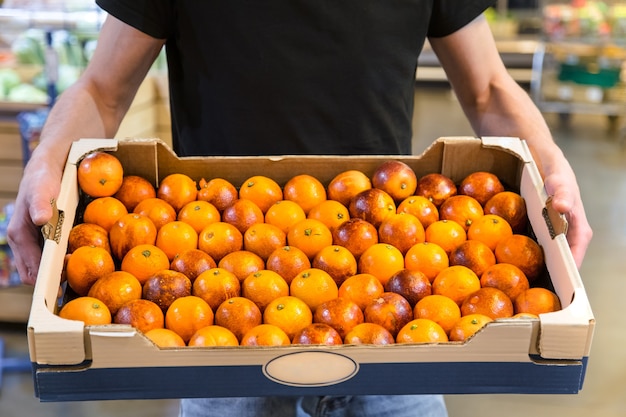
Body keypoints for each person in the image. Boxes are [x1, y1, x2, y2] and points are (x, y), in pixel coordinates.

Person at [8, 1, 592, 417]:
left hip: (398, 313)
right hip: (219, 317)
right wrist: (46, 163)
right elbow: (102, 90)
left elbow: (489, 88)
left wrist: (551, 166)